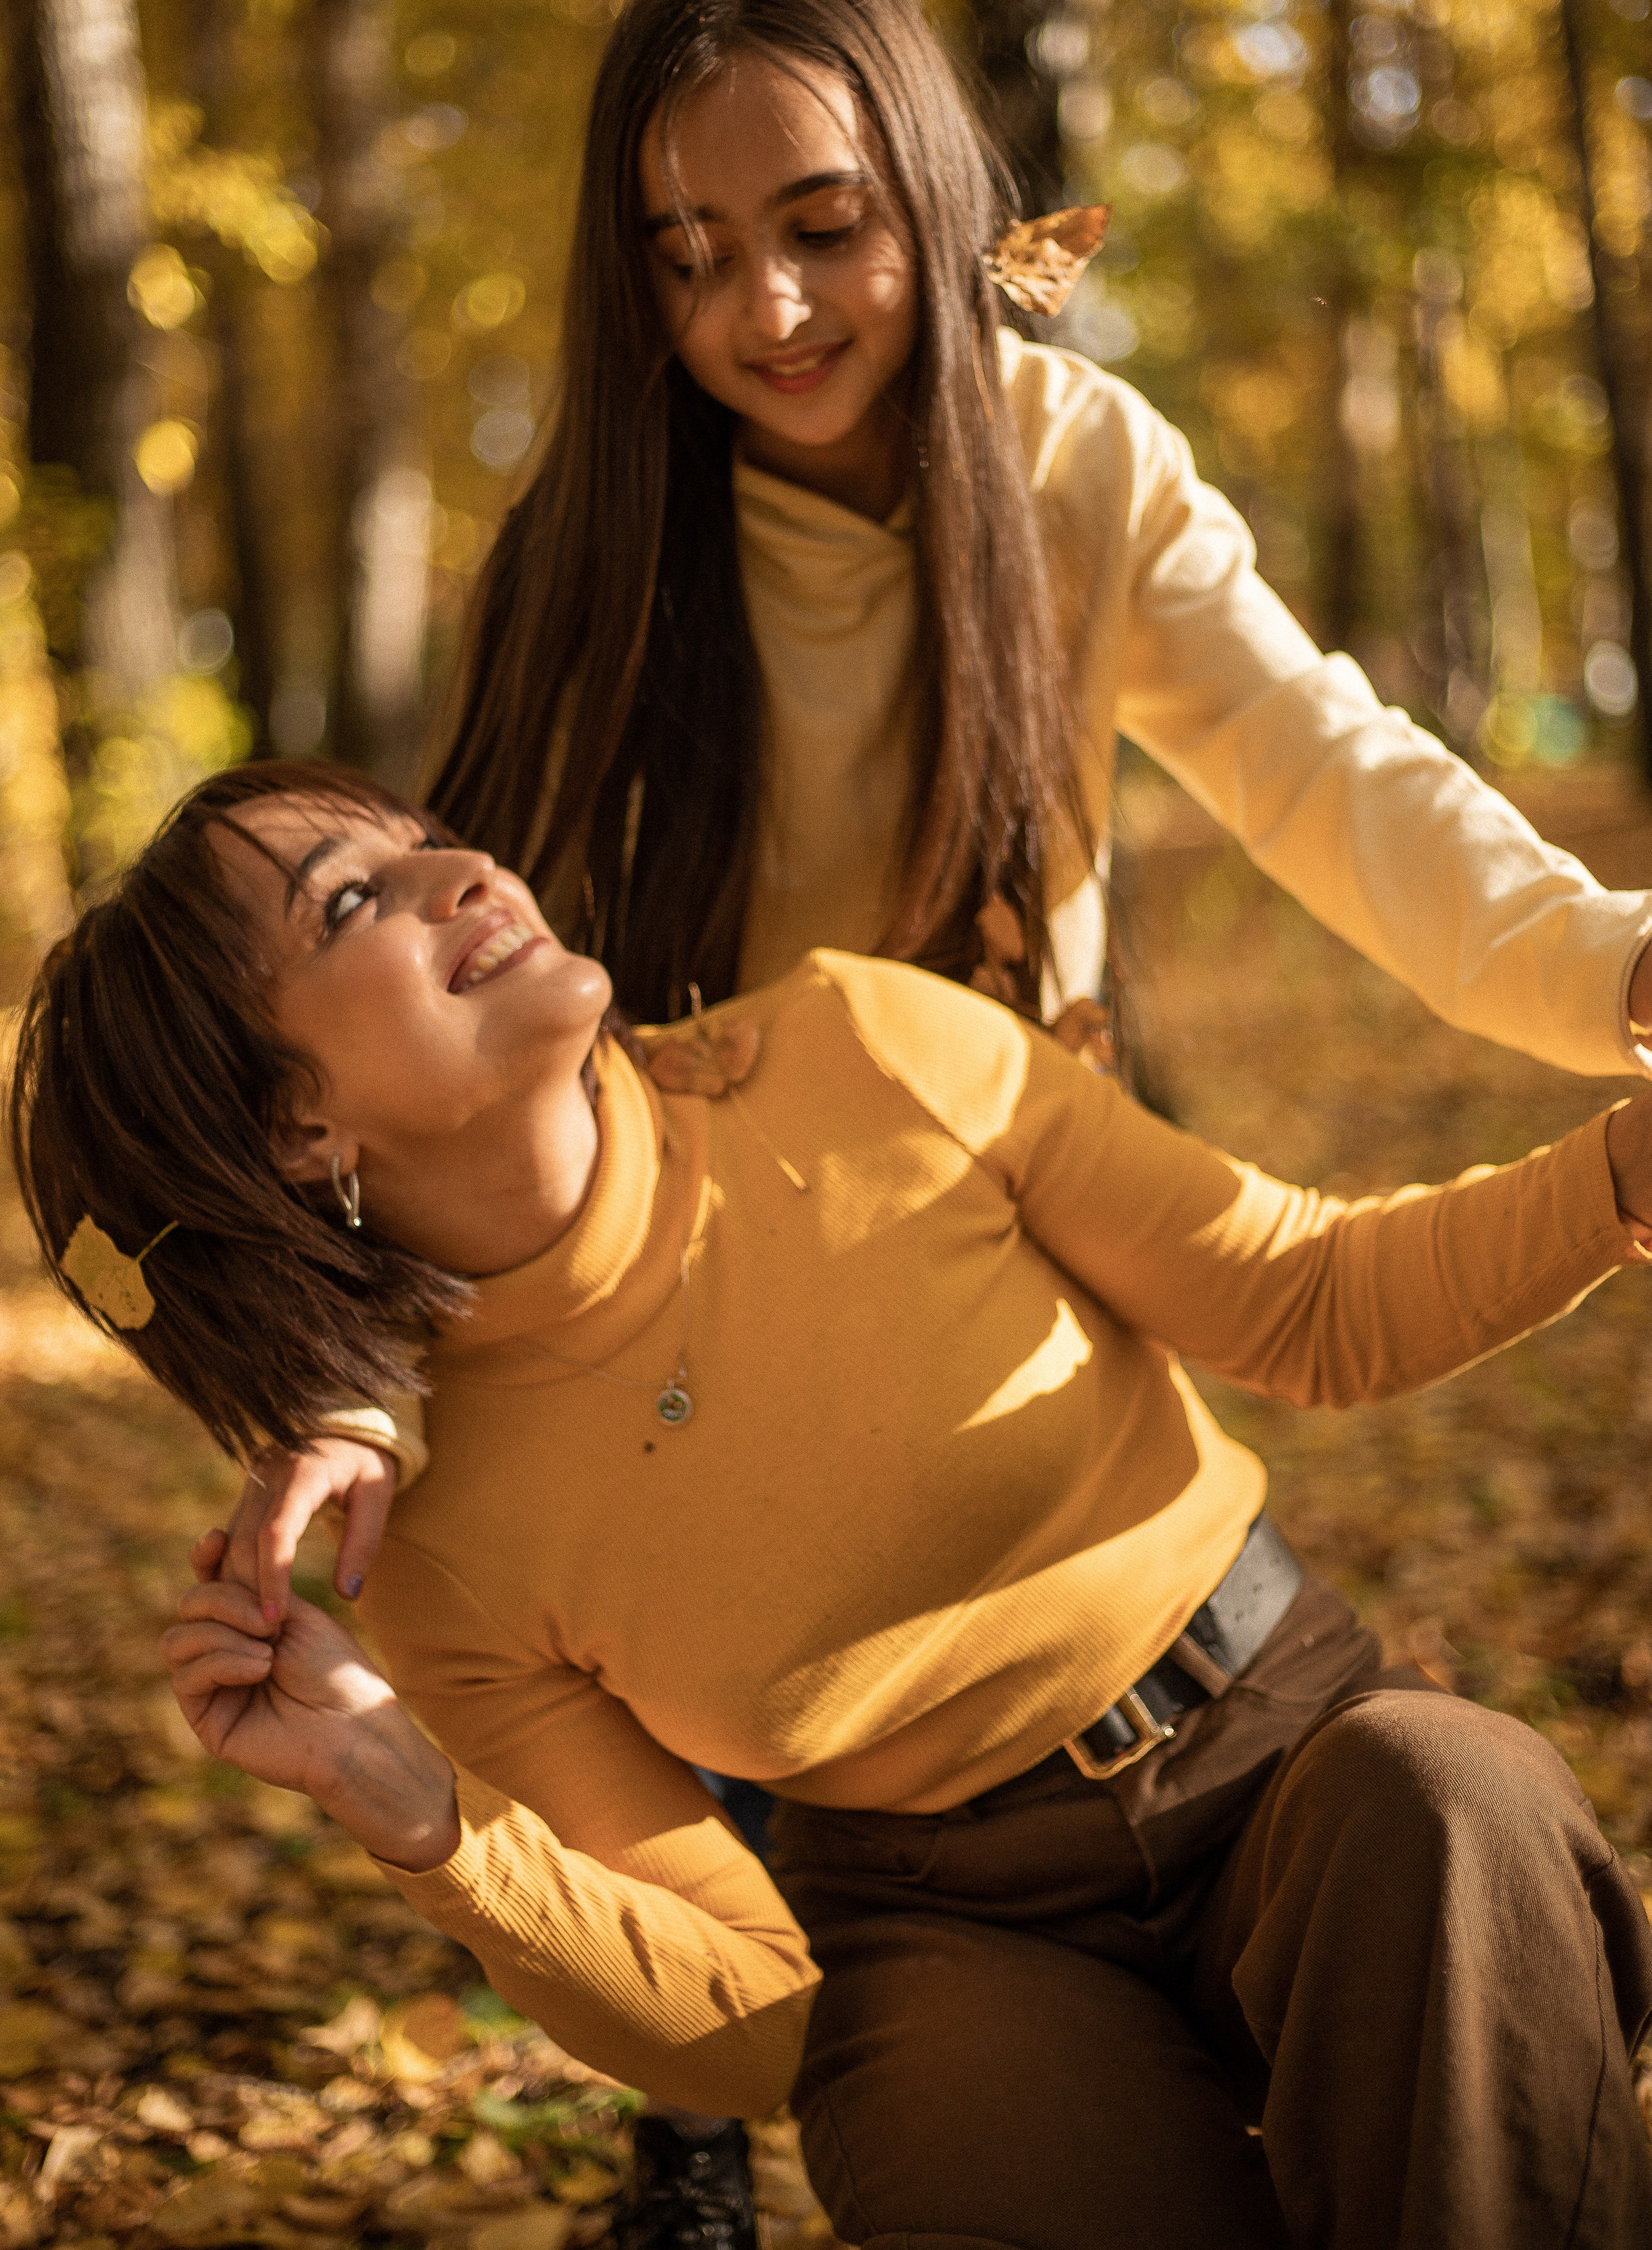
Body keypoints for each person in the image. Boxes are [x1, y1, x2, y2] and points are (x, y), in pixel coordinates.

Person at [11, 760, 1652, 2249]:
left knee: (1450, 1792)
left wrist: (1619, 1175)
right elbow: (746, 2016)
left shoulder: (862, 1046)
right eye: (352, 900)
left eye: (429, 841)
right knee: (957, 2152)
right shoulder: (441, 1563)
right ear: (299, 1123)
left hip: (1291, 1743)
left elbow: (1308, 1299)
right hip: (957, 1941)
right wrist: (417, 1809)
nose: (460, 872)